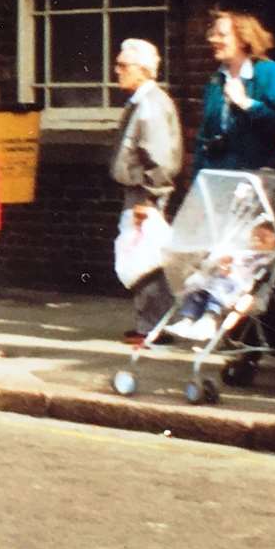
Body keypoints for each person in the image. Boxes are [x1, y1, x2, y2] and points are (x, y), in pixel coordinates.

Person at [109, 39, 183, 343]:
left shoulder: (151, 104)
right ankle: (150, 323)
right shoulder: (141, 101)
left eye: (123, 66)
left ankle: (152, 327)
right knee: (140, 254)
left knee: (145, 257)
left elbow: (160, 156)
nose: (117, 71)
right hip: (140, 191)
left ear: (143, 70)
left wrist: (150, 198)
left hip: (145, 192)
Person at [191, 10, 275, 176]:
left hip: (255, 179)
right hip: (219, 179)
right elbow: (205, 135)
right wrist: (198, 179)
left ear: (243, 39)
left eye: (221, 35)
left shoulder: (269, 72)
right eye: (212, 34)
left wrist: (247, 103)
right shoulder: (216, 80)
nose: (212, 39)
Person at [163, 220, 275, 343]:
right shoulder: (243, 251)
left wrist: (231, 270)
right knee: (197, 293)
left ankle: (210, 319)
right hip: (218, 279)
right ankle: (187, 320)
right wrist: (222, 262)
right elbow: (220, 261)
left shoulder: (267, 258)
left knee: (218, 291)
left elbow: (255, 276)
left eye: (265, 236)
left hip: (238, 285)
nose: (258, 238)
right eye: (256, 234)